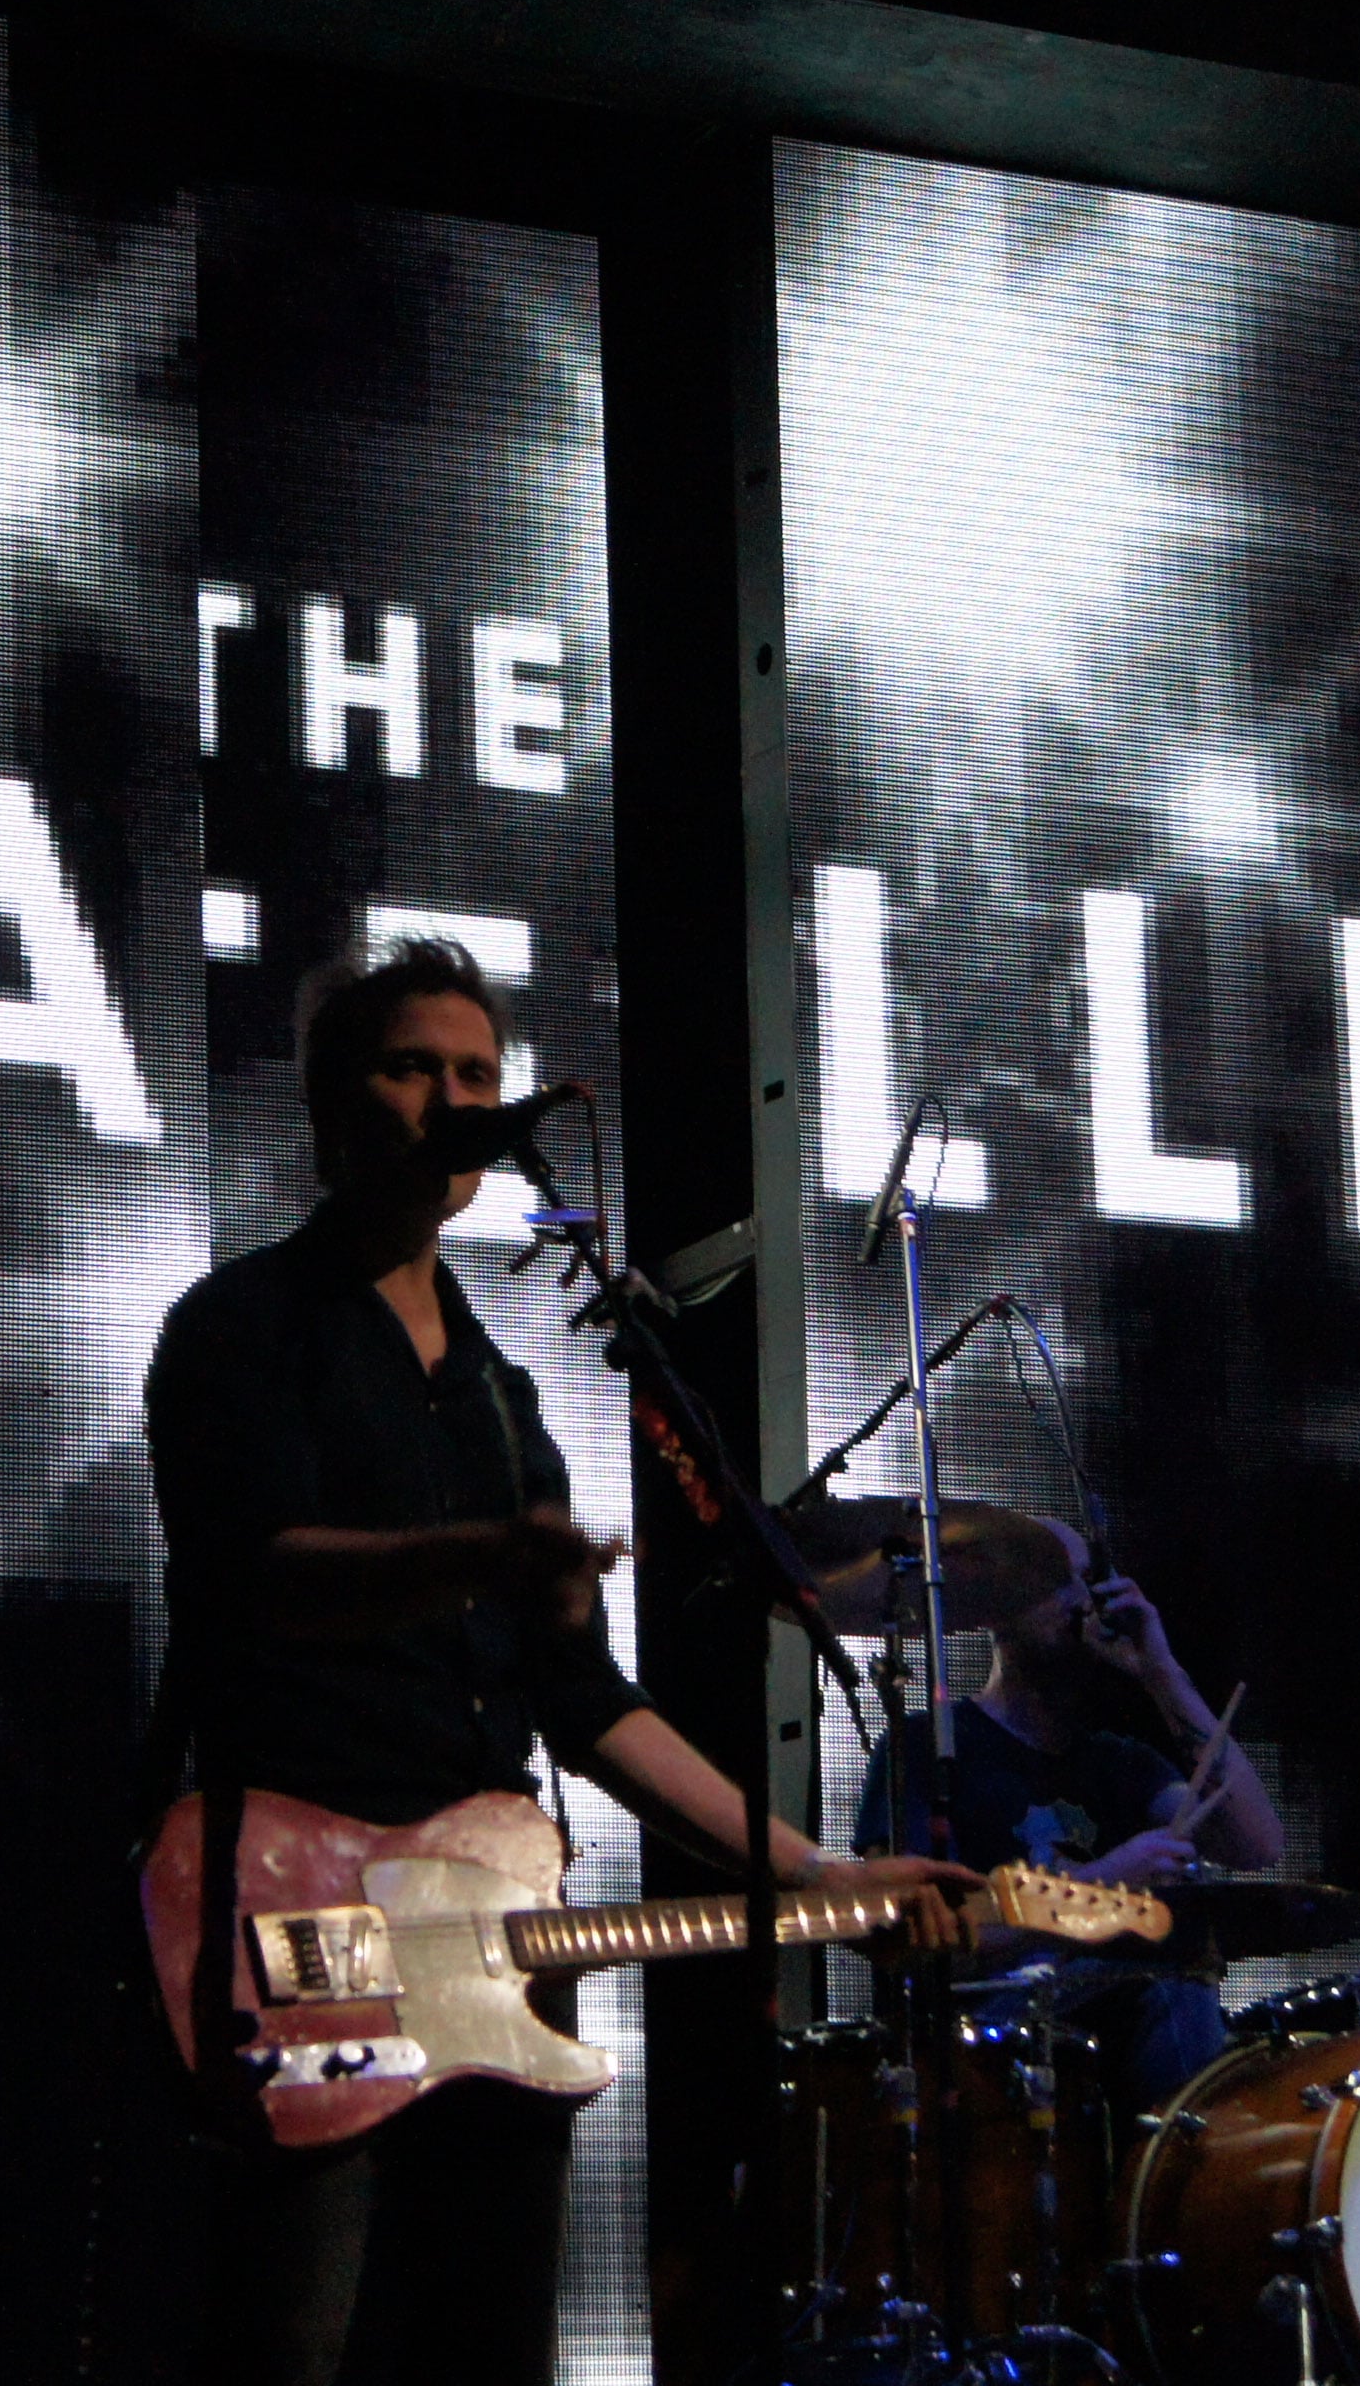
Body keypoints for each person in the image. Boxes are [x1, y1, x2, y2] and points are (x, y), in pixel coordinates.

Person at [146, 937, 969, 2386]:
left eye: (478, 1074)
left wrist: (818, 1875)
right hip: (303, 1914)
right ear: (336, 1102)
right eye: (414, 1068)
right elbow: (256, 1578)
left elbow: (589, 1708)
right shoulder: (240, 1325)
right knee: (288, 2348)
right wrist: (483, 1554)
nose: (453, 1100)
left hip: (496, 1935)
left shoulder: (499, 1393)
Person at [849, 1510, 1281, 2108]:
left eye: (1086, 1580)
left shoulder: (1119, 1762)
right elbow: (908, 1931)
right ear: (993, 1606)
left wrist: (1161, 1672)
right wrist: (1102, 1886)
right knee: (1169, 1986)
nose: (1080, 1600)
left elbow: (1257, 1845)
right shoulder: (927, 1746)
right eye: (1056, 1579)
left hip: (1114, 2027)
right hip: (987, 2038)